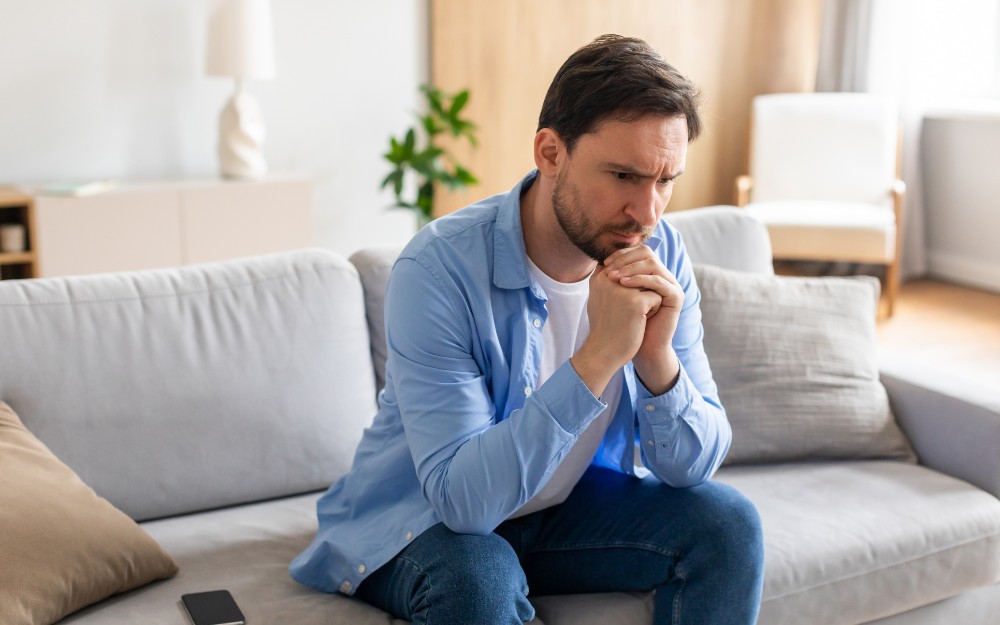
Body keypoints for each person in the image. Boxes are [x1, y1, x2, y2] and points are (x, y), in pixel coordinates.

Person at [290, 34, 765, 624]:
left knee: (728, 525)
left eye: (666, 180)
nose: (648, 212)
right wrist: (597, 359)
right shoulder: (437, 270)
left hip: (561, 509)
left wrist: (657, 361)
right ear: (550, 153)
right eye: (623, 175)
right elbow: (464, 504)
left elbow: (691, 468)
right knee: (477, 577)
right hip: (423, 521)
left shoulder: (660, 250)